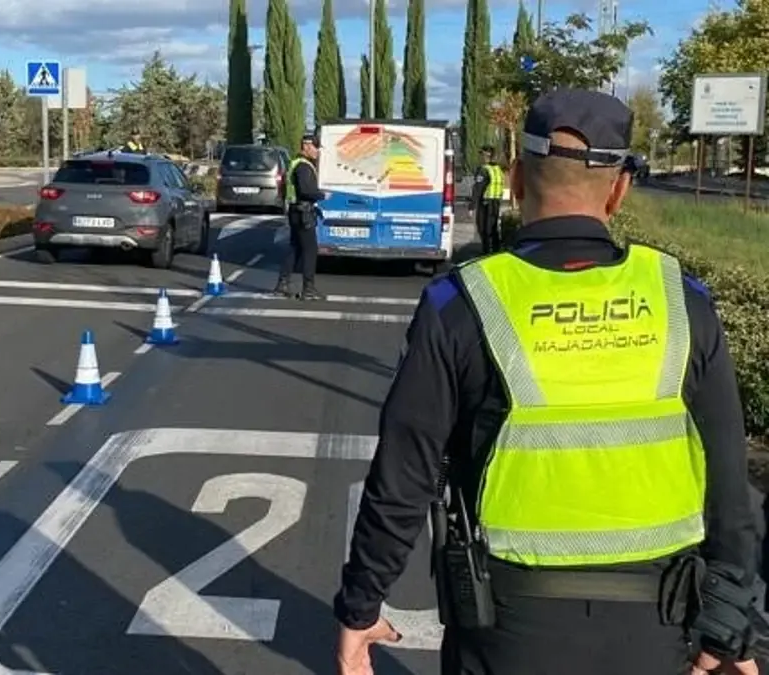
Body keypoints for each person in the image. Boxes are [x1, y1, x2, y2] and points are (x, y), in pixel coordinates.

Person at [333, 88, 760, 675]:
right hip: (657, 631)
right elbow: (729, 482)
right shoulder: (681, 301)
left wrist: (361, 606)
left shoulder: (461, 303)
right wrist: (728, 629)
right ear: (619, 189)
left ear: (514, 180)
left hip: (505, 630)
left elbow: (403, 475)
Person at [274, 133, 324, 300]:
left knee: (295, 247)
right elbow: (306, 190)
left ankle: (282, 283)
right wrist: (323, 195)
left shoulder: (295, 162)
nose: (318, 152)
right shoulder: (303, 166)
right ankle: (308, 289)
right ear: (308, 147)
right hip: (303, 212)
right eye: (316, 148)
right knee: (310, 250)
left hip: (295, 210)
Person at [470, 145, 507, 254]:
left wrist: (472, 206)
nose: (480, 157)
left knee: (483, 228)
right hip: (496, 202)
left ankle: (486, 252)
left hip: (485, 203)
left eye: (481, 154)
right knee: (493, 229)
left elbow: (478, 188)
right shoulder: (498, 169)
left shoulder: (483, 170)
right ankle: (495, 251)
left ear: (487, 155)